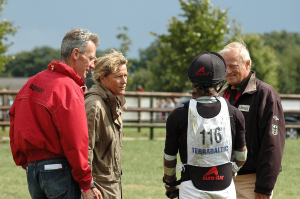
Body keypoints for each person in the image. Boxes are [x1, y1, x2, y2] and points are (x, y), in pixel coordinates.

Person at [9, 28, 101, 199]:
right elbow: (76, 139)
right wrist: (86, 182)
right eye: (90, 58)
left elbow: (13, 117)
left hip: (34, 172)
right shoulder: (68, 88)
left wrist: (26, 161)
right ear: (75, 53)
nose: (93, 65)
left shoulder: (31, 82)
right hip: (59, 170)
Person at [163, 52, 247, 199]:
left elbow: (170, 158)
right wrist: (232, 170)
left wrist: (170, 184)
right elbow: (241, 155)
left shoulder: (178, 116)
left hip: (191, 187)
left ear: (192, 82)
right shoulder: (234, 113)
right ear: (219, 82)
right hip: (225, 187)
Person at [218, 41, 286, 199]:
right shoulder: (219, 94)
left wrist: (264, 187)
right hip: (220, 179)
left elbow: (273, 145)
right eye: (224, 66)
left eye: (233, 65)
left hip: (250, 181)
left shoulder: (265, 95)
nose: (228, 71)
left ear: (247, 64)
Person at [85, 49, 128, 199]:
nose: (124, 81)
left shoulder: (114, 102)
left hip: (112, 183)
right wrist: (88, 185)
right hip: (99, 186)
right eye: (118, 77)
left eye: (125, 75)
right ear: (102, 79)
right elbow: (85, 148)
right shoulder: (94, 105)